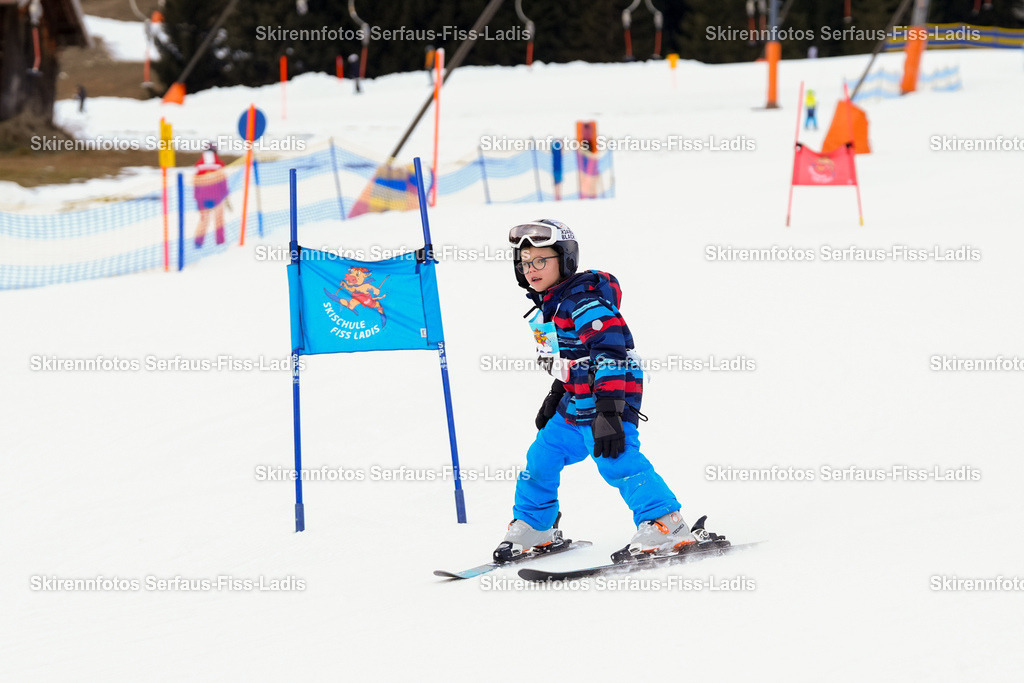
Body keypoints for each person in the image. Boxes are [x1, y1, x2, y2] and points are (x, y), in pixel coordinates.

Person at [493, 219, 725, 564]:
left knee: (616, 459)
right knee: (541, 458)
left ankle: (666, 522)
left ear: (565, 260)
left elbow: (610, 352)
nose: (532, 269)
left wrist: (610, 410)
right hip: (576, 401)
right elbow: (571, 356)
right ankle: (535, 525)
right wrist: (557, 393)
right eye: (525, 262)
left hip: (609, 397)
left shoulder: (584, 303)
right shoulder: (550, 306)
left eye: (541, 260)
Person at [193, 144, 229, 247]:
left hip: (202, 198)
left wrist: (196, 197)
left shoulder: (199, 165)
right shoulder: (219, 165)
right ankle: (220, 241)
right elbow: (223, 181)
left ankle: (198, 242)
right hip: (217, 197)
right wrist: (225, 193)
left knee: (203, 220)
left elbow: (196, 183)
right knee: (219, 220)